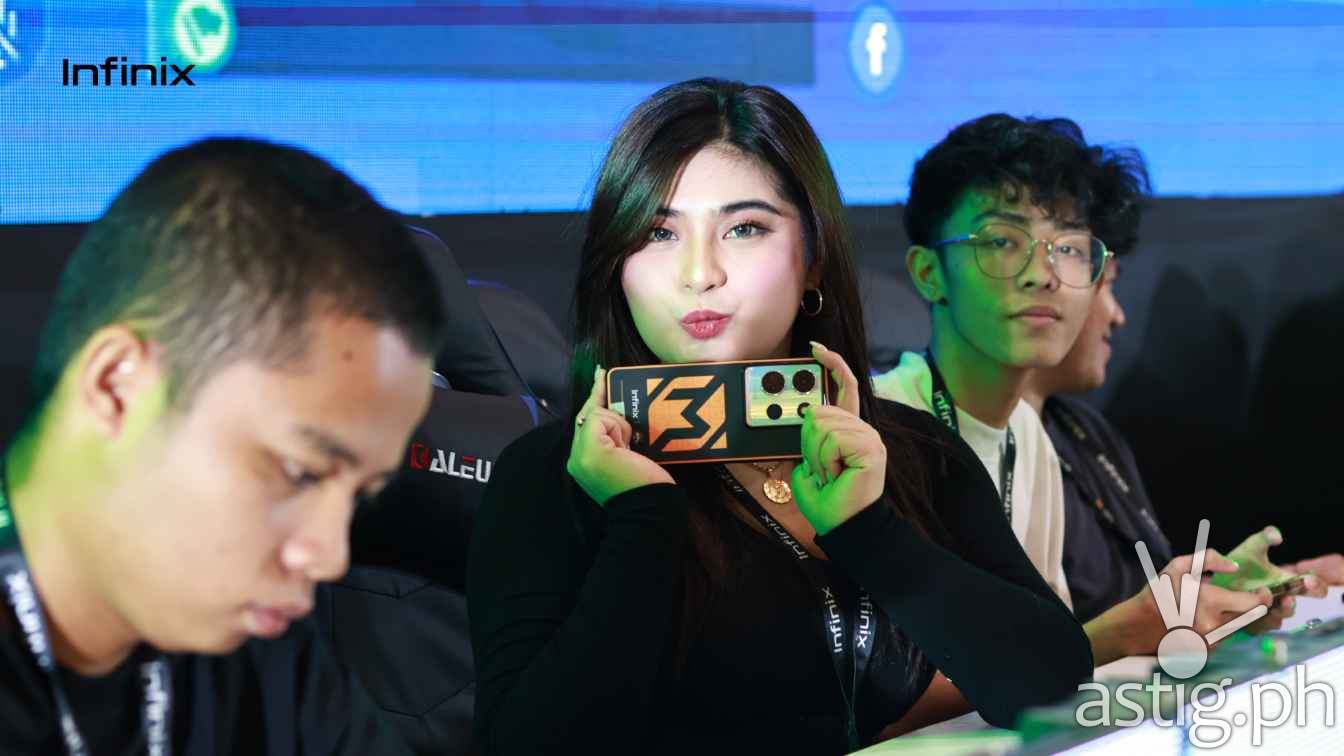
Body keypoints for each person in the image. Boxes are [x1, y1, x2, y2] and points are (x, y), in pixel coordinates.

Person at [467, 79, 1091, 755]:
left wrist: (867, 531)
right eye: (659, 232)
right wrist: (643, 519)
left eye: (745, 228)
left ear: (812, 259)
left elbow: (1052, 685)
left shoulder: (909, 450)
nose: (700, 273)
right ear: (617, 263)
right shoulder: (552, 477)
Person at [0, 138, 446, 754]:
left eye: (360, 496)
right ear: (117, 386)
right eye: (299, 472)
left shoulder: (256, 652)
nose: (328, 556)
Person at [871, 115, 1277, 728]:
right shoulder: (881, 434)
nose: (1044, 273)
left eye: (1068, 246)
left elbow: (1037, 678)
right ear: (929, 273)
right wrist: (1121, 631)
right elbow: (877, 706)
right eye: (1001, 241)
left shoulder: (1030, 435)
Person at [1021, 252, 1336, 630]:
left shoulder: (1086, 430)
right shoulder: (974, 451)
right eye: (1103, 285)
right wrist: (1132, 632)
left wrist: (1227, 597)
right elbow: (1021, 652)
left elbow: (1149, 602)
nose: (1118, 316)